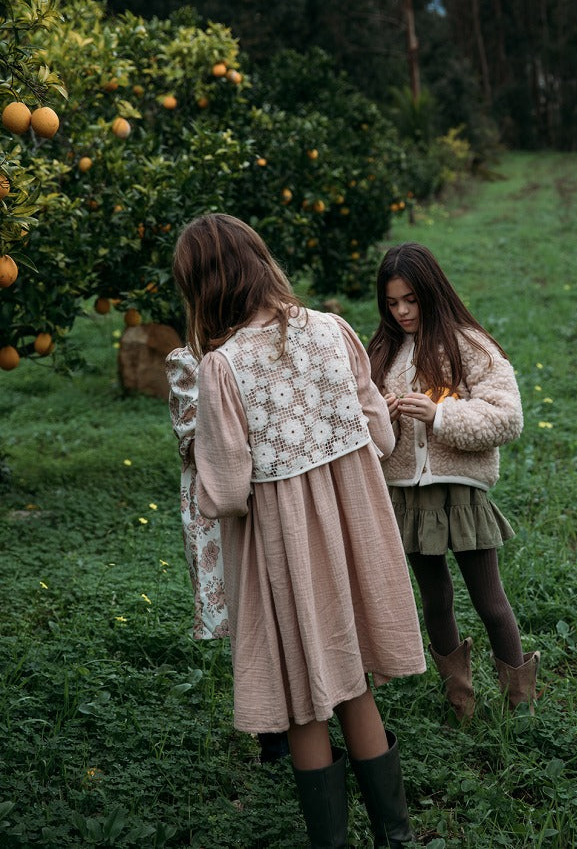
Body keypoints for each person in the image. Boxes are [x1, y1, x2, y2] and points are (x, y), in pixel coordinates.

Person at [170, 213, 426, 849]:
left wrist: (194, 459)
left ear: (203, 287)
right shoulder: (335, 331)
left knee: (306, 700)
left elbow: (227, 492)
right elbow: (384, 435)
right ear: (259, 262)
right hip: (354, 536)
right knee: (356, 686)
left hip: (282, 553)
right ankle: (394, 837)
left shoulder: (221, 368)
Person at [368, 242, 540, 720]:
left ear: (431, 292)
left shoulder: (469, 344)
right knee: (436, 599)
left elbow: (507, 417)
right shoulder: (382, 352)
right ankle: (459, 701)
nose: (402, 312)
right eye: (392, 303)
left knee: (489, 599)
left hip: (462, 492)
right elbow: (361, 425)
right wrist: (383, 417)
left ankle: (521, 705)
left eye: (411, 300)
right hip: (410, 494)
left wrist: (440, 415)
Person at [166, 344, 289, 764]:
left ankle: (307, 716)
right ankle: (273, 733)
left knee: (284, 596)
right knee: (249, 608)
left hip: (272, 488)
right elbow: (191, 440)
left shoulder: (258, 346)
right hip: (221, 499)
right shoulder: (188, 362)